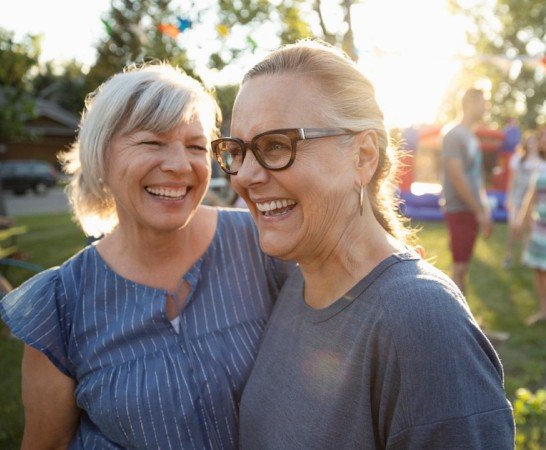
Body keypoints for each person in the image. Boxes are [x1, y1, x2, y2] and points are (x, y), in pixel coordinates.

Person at [212, 39, 515, 448]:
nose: (244, 177)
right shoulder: (293, 282)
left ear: (363, 156)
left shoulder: (421, 323)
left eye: (277, 145)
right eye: (237, 151)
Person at [0, 62, 287, 449]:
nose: (179, 165)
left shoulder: (260, 244)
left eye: (196, 146)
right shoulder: (61, 304)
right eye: (152, 142)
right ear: (101, 156)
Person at [440, 87, 493, 295]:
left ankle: (461, 317)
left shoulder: (472, 137)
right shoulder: (453, 134)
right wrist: (478, 210)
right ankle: (453, 322)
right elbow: (457, 176)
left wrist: (484, 210)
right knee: (459, 268)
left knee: (464, 267)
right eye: (483, 102)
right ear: (469, 103)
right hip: (459, 208)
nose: (486, 106)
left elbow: (477, 179)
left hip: (471, 209)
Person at [514, 126, 546, 325]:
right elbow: (531, 196)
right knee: (538, 268)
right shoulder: (540, 167)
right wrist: (520, 219)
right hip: (540, 228)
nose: (542, 140)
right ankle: (544, 311)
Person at [503, 130, 540, 268]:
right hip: (517, 198)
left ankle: (525, 256)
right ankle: (509, 255)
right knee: (514, 226)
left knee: (528, 228)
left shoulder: (540, 161)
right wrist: (509, 197)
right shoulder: (518, 159)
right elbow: (512, 181)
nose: (532, 145)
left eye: (534, 142)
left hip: (532, 201)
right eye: (529, 142)